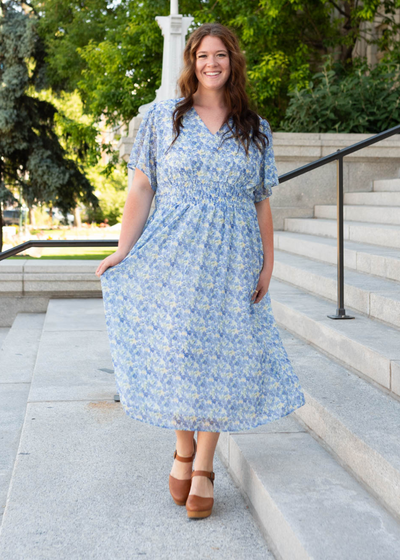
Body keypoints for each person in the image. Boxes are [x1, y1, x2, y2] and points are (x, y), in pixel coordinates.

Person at [95, 22, 306, 520]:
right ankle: (182, 448)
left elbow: (261, 202)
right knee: (180, 348)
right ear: (191, 63)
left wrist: (267, 263)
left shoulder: (254, 127)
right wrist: (123, 250)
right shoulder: (163, 117)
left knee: (221, 353)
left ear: (233, 62)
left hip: (233, 256)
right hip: (173, 251)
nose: (211, 63)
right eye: (202, 55)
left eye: (221, 55)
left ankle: (204, 466)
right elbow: (141, 189)